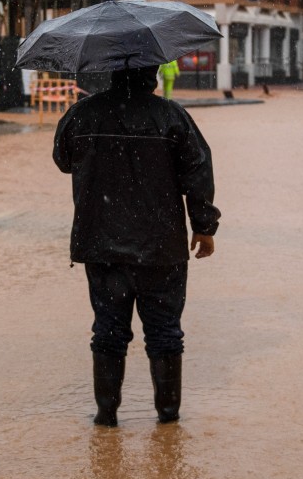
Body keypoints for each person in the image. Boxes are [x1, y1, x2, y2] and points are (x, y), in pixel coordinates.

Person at [53, 65, 221, 427]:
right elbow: (198, 169)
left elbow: (63, 160)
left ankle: (106, 416)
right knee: (164, 332)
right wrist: (204, 226)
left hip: (101, 242)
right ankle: (168, 419)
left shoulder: (82, 114)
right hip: (160, 247)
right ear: (153, 72)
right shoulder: (171, 116)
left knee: (109, 330)